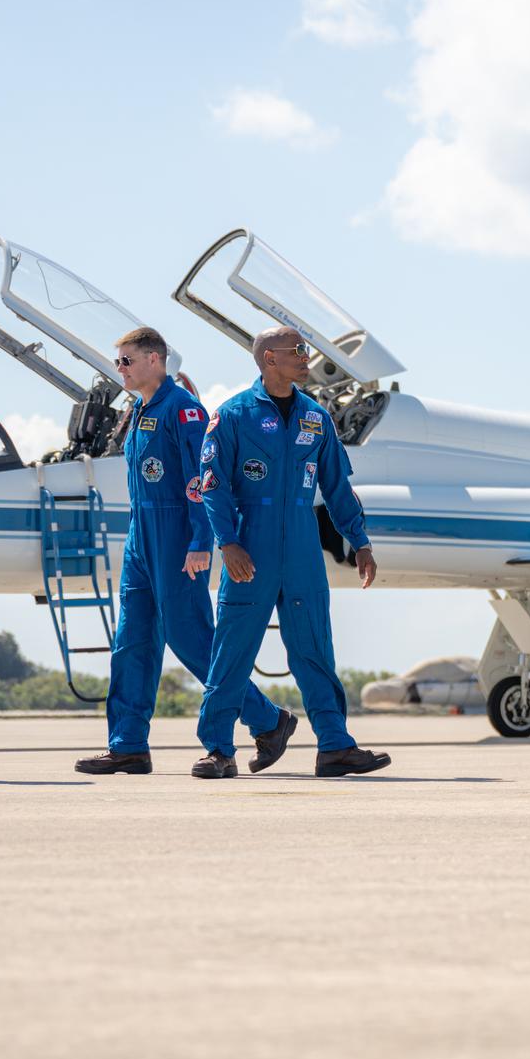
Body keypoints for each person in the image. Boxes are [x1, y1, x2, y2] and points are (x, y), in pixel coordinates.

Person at [74, 328, 296, 777]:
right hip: (142, 535)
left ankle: (267, 719)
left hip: (177, 535)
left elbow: (203, 479)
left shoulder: (185, 411)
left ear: (155, 359)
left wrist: (201, 540)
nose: (120, 369)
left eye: (127, 360)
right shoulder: (138, 411)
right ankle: (128, 745)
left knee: (191, 637)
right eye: (118, 361)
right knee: (131, 640)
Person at [194, 326, 390, 778]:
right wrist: (228, 543)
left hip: (302, 548)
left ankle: (335, 746)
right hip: (251, 545)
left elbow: (338, 487)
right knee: (232, 651)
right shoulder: (233, 416)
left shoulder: (316, 418)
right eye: (297, 351)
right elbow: (213, 486)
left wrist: (359, 541)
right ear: (269, 359)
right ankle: (218, 750)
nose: (306, 358)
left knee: (314, 649)